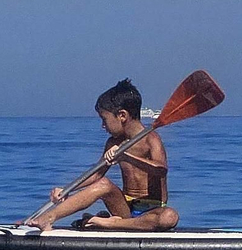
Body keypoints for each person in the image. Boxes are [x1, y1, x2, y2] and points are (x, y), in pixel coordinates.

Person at [25, 79, 179, 232]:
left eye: (105, 120)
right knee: (104, 184)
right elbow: (97, 174)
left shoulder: (151, 139)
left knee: (169, 217)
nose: (103, 126)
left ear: (122, 116)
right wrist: (66, 190)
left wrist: (126, 156)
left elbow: (161, 169)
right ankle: (48, 218)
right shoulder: (113, 143)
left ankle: (107, 223)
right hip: (124, 208)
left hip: (151, 211)